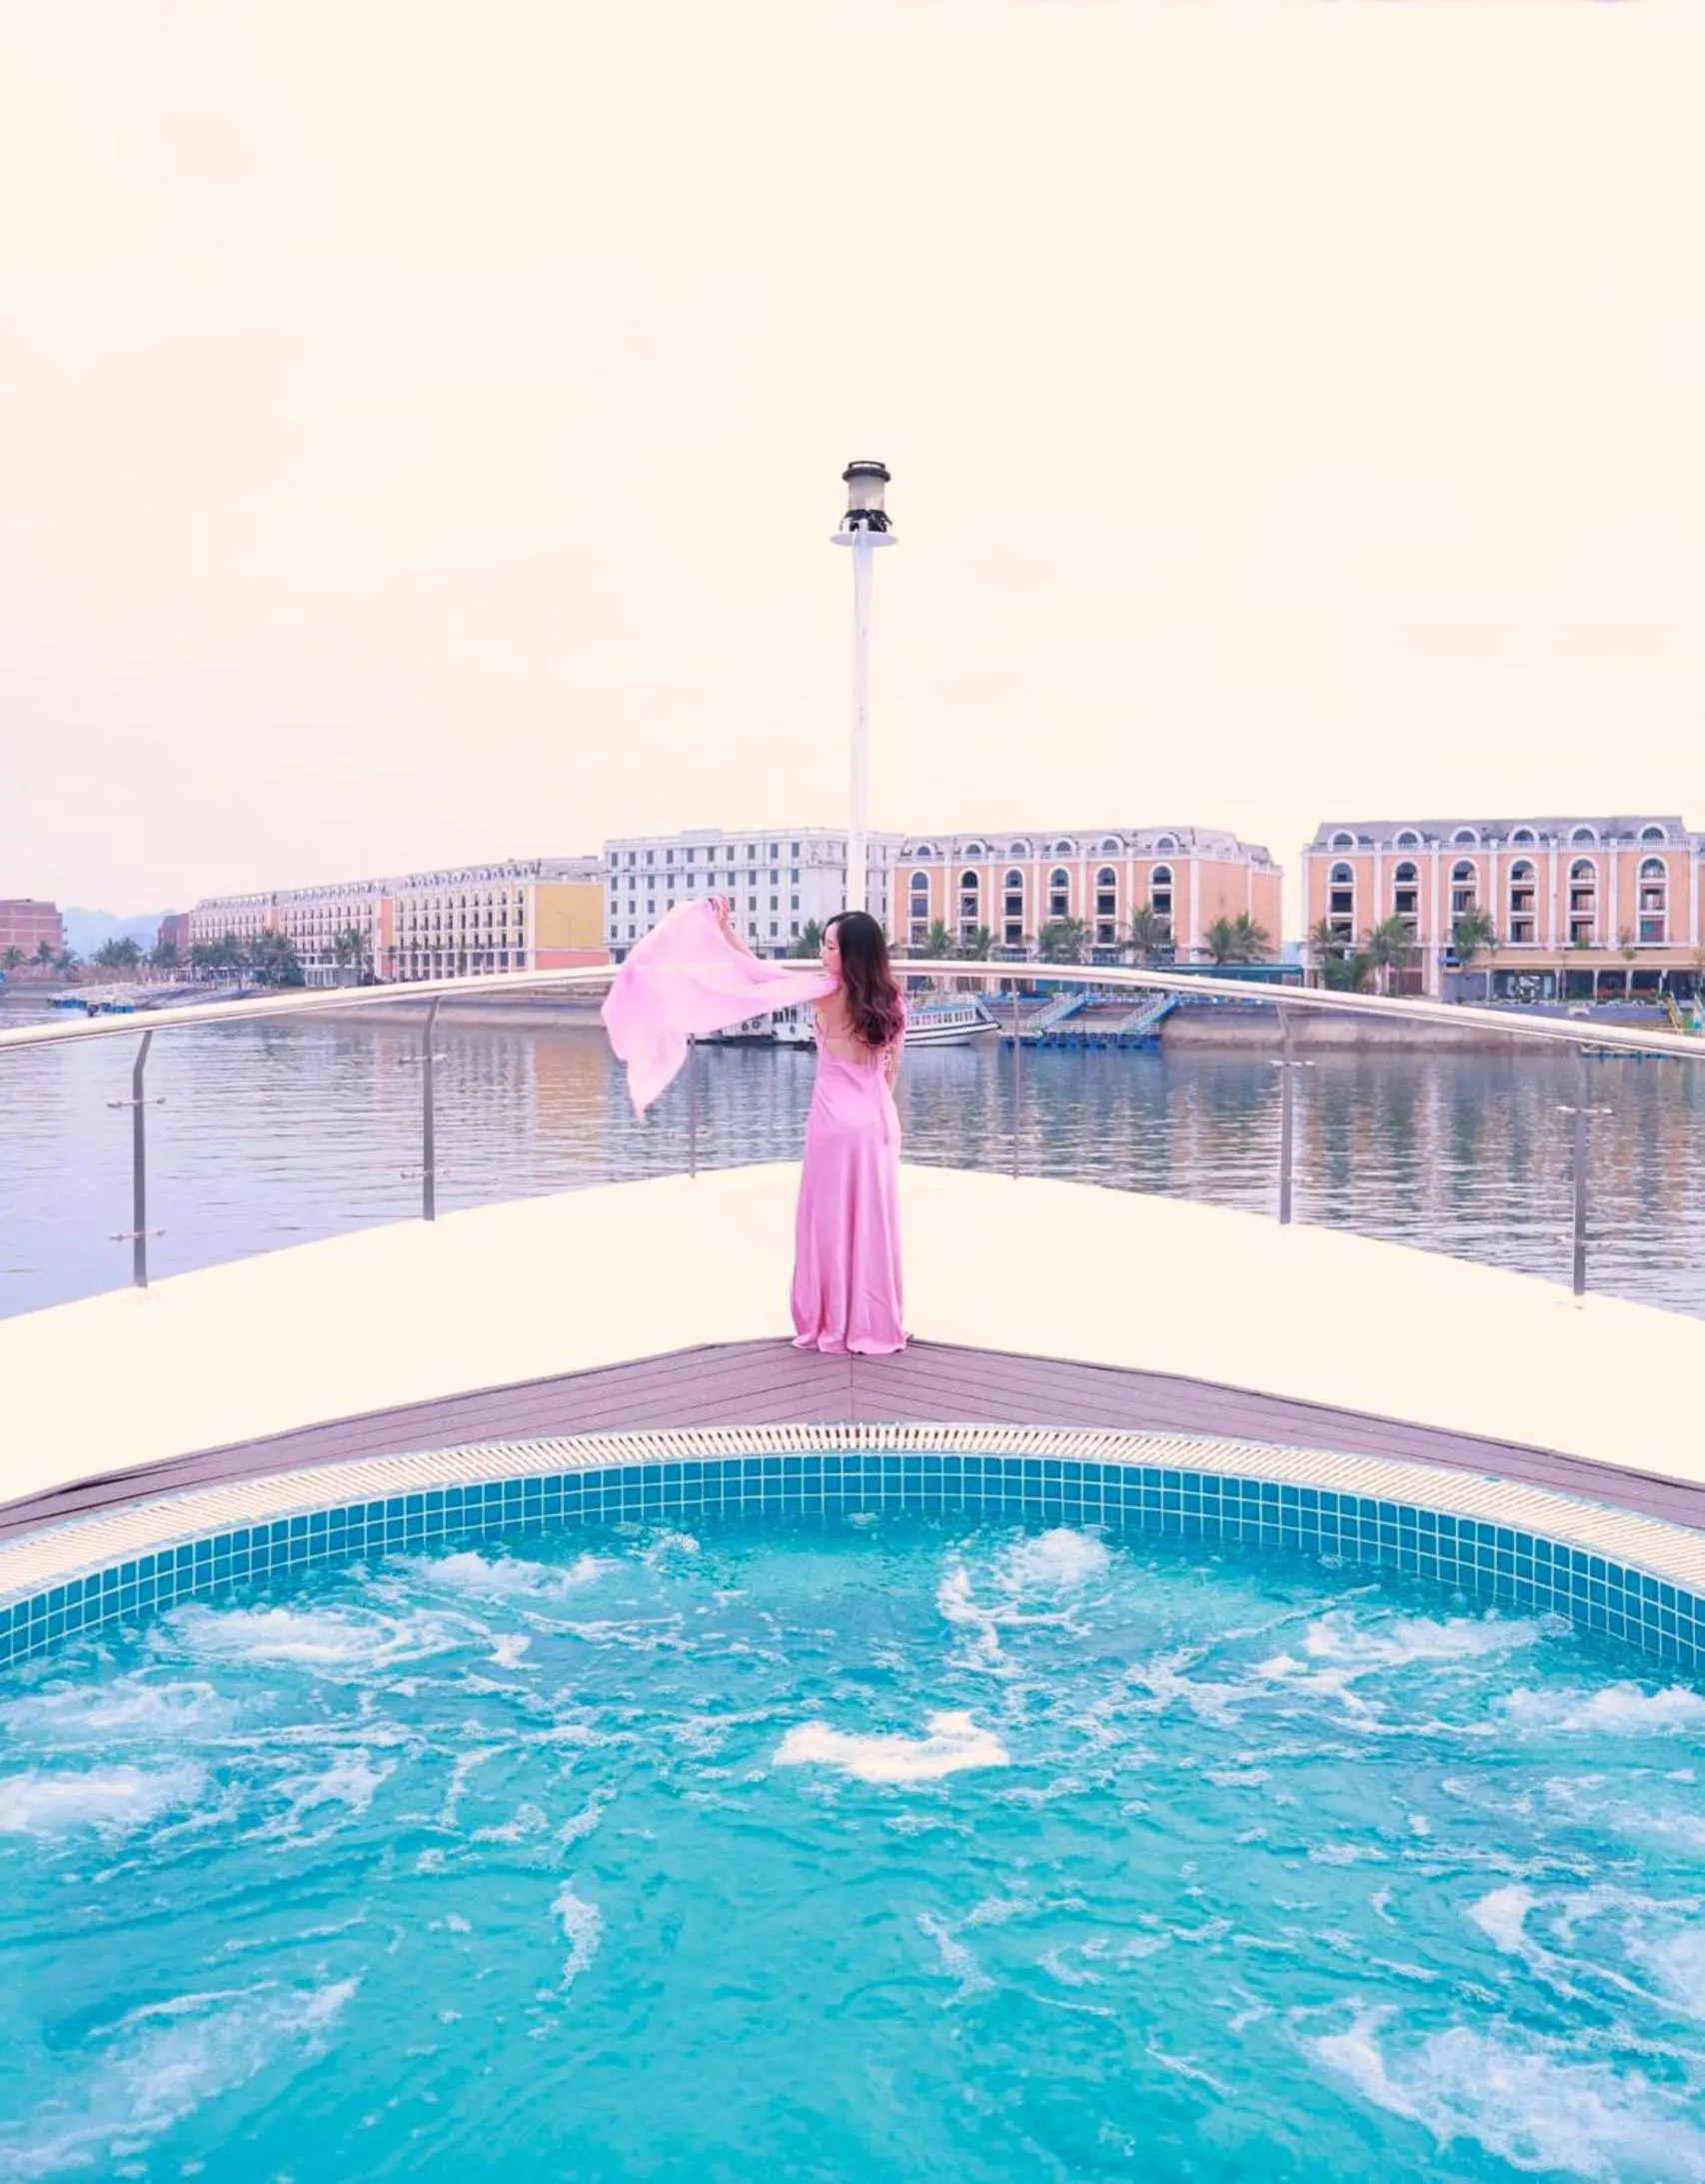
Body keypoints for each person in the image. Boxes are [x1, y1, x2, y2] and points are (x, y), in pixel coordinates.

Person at [710, 898, 907, 1355]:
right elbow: (891, 1071)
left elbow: (758, 975)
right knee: (872, 1224)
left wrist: (726, 931)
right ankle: (875, 1319)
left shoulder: (826, 992)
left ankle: (833, 1321)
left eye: (830, 946)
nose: (822, 953)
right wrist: (880, 1115)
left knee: (829, 1224)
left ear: (851, 954)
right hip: (877, 1119)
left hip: (834, 1123)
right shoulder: (893, 1000)